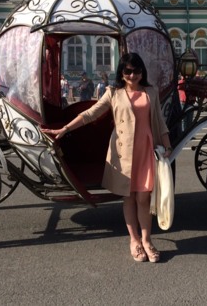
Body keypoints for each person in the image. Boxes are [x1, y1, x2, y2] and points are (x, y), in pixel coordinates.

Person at [43, 53, 172, 263]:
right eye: (128, 71)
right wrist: (65, 129)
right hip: (124, 153)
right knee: (129, 197)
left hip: (146, 150)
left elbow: (159, 120)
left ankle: (147, 240)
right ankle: (134, 240)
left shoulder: (151, 92)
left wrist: (167, 145)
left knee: (144, 198)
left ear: (142, 72)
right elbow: (90, 114)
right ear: (121, 73)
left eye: (137, 71)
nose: (133, 75)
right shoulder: (114, 93)